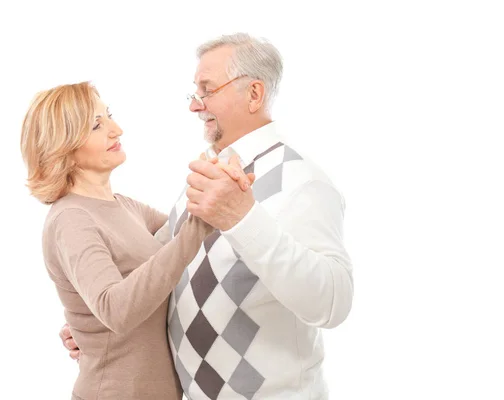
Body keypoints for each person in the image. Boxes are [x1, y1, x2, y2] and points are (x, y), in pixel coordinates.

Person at [61, 32, 354, 399]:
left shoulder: (303, 181)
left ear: (254, 95)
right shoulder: (205, 177)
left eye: (207, 89)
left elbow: (333, 304)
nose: (194, 105)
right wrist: (92, 325)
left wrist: (243, 219)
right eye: (194, 91)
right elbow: (154, 271)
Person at [20, 81, 252, 400]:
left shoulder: (126, 207)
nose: (116, 130)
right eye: (96, 125)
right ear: (64, 146)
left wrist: (220, 182)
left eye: (109, 116)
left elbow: (184, 237)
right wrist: (197, 227)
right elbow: (116, 309)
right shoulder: (71, 219)